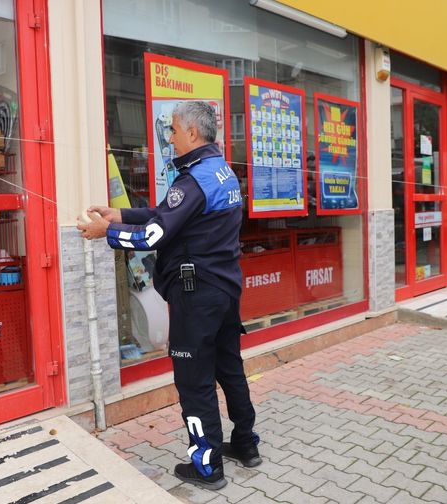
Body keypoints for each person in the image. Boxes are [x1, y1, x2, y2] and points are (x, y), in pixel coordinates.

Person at [77, 101, 259, 490]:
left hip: (197, 297)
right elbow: (168, 214)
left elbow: (154, 235)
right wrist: (120, 214)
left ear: (192, 133)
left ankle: (207, 466)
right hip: (225, 289)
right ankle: (246, 444)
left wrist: (104, 234)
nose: (170, 137)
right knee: (229, 368)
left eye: (174, 130)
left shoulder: (193, 180)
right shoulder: (221, 171)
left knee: (194, 382)